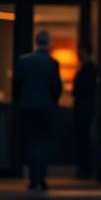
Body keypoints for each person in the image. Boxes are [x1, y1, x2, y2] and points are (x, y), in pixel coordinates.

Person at [13, 30, 62, 191]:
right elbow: (56, 88)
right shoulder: (52, 63)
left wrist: (20, 102)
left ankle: (33, 177)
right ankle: (41, 176)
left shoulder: (23, 61)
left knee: (30, 141)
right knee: (45, 142)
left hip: (27, 107)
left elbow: (16, 86)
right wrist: (53, 102)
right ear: (47, 43)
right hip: (46, 107)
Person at [72, 43, 98, 178]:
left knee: (84, 139)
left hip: (85, 109)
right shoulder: (86, 69)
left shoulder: (88, 69)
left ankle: (85, 169)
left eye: (80, 51)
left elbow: (82, 90)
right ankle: (84, 168)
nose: (78, 54)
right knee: (83, 139)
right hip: (83, 108)